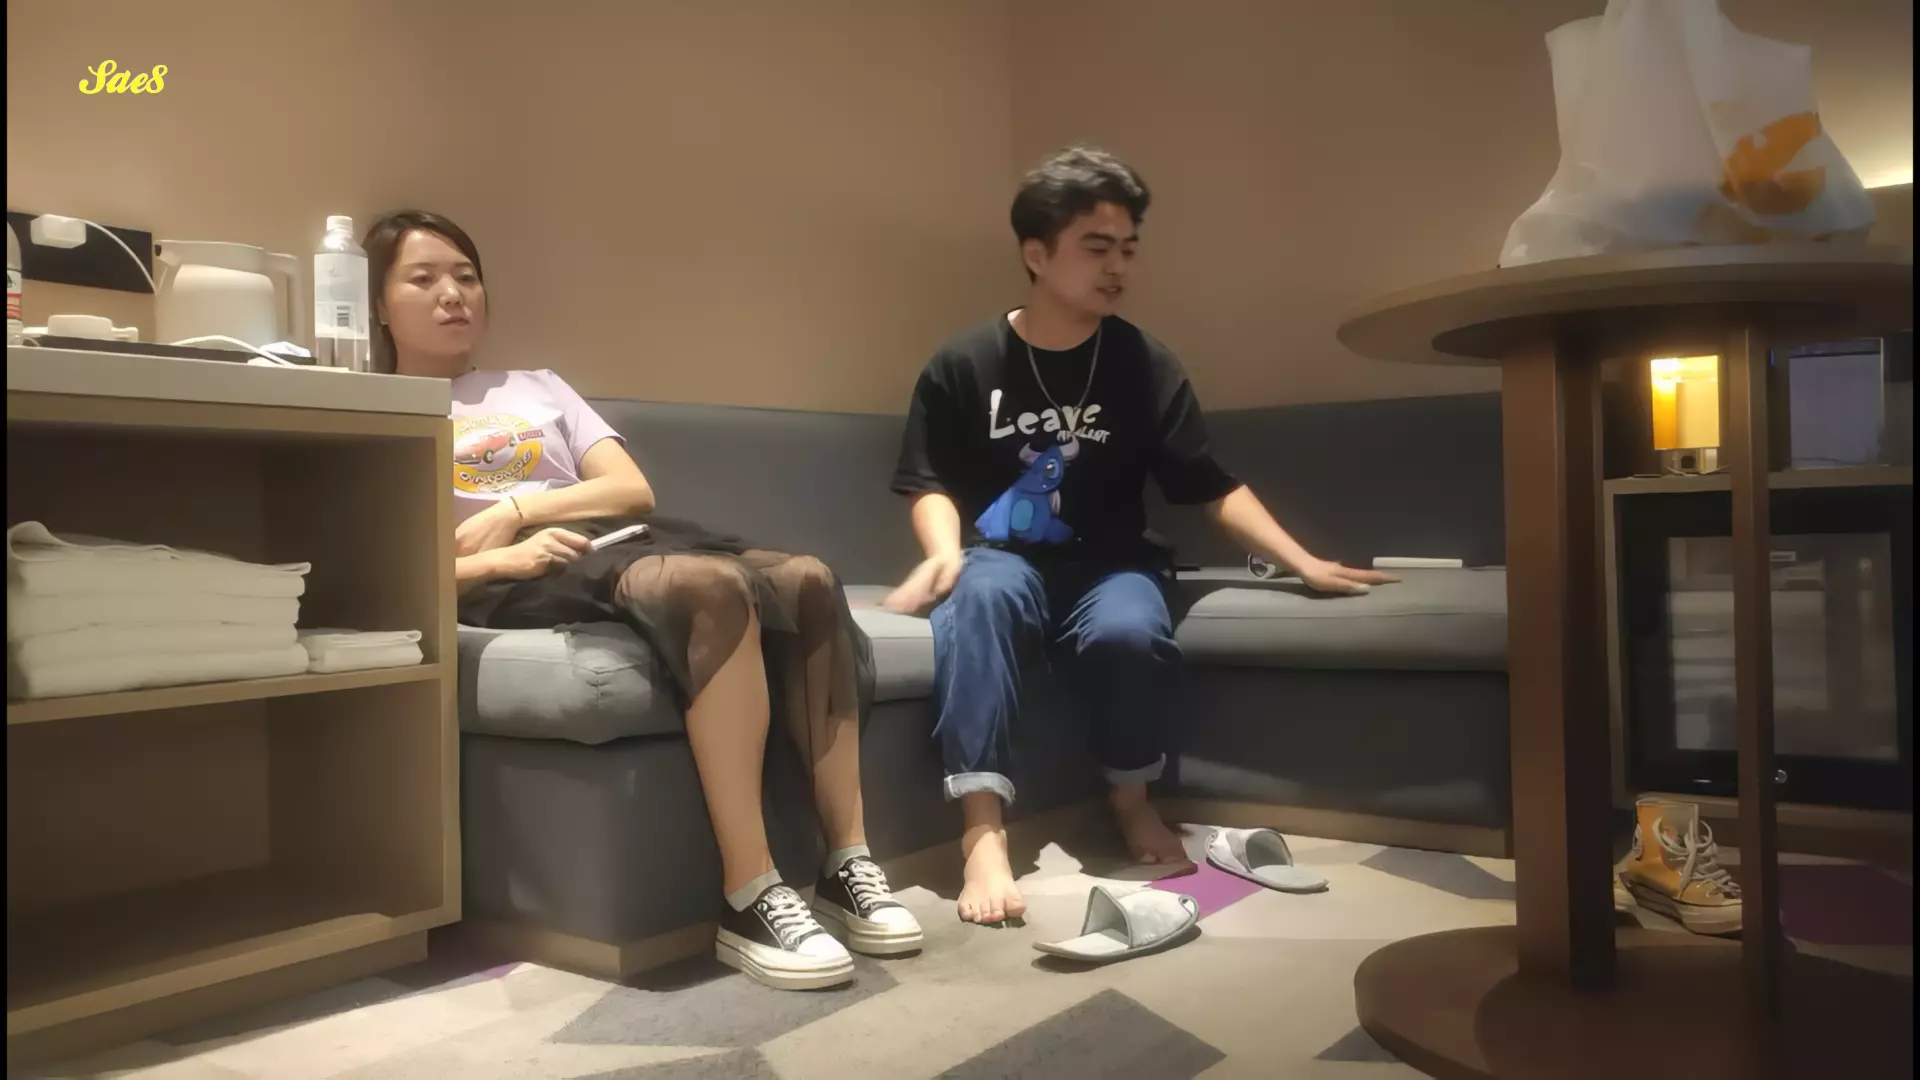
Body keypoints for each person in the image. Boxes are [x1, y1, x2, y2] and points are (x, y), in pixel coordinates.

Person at [367, 209, 922, 989]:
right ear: (377, 303)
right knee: (710, 585)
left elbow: (631, 490)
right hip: (517, 576)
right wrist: (501, 556)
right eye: (423, 279)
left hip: (614, 539)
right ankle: (750, 895)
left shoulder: (537, 386)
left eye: (466, 276)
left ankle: (846, 863)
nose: (453, 294)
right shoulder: (381, 412)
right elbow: (382, 568)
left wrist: (517, 506)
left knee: (807, 578)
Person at [883, 147, 1396, 925]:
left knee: (1130, 632)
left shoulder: (1141, 362)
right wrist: (944, 554)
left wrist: (1306, 563)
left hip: (1112, 564)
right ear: (1036, 254)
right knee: (981, 600)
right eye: (1097, 247)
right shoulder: (963, 364)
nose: (1118, 266)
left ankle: (1130, 801)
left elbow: (1207, 484)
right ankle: (983, 833)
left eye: (1128, 249)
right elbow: (929, 482)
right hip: (1002, 559)